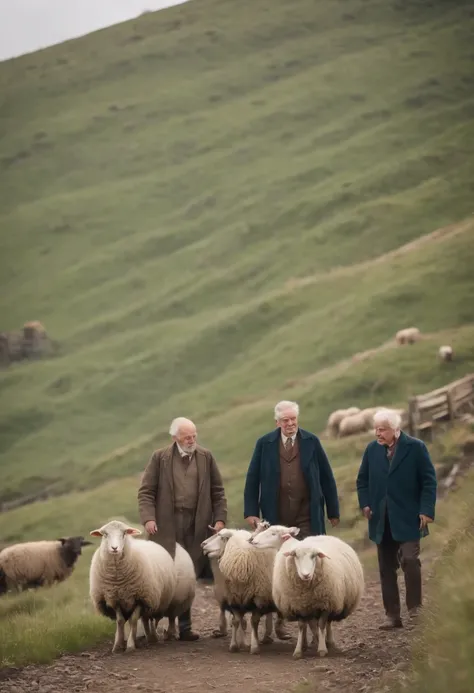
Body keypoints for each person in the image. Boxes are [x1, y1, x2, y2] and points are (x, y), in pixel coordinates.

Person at [137, 416, 227, 640]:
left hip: (197, 524)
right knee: (162, 574)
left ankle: (184, 627)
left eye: (194, 436)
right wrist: (148, 518)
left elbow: (218, 492)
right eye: (187, 437)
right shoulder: (160, 458)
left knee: (189, 576)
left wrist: (220, 519)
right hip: (166, 525)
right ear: (175, 437)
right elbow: (146, 491)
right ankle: (152, 625)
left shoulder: (206, 457)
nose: (191, 440)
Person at [356, 408, 437, 629]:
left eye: (382, 430)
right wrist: (365, 503)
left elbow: (429, 481)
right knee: (385, 567)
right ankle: (392, 615)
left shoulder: (416, 448)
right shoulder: (372, 450)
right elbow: (362, 480)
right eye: (376, 429)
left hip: (410, 517)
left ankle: (415, 610)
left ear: (395, 430)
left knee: (410, 560)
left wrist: (426, 510)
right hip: (381, 520)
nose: (377, 433)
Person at [243, 400, 340, 538]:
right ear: (277, 422)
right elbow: (253, 478)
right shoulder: (264, 443)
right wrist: (251, 512)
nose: (290, 423)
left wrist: (333, 512)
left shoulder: (311, 441)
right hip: (275, 515)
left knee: (307, 554)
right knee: (280, 556)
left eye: (293, 419)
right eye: (285, 420)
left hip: (307, 515)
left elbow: (327, 477)